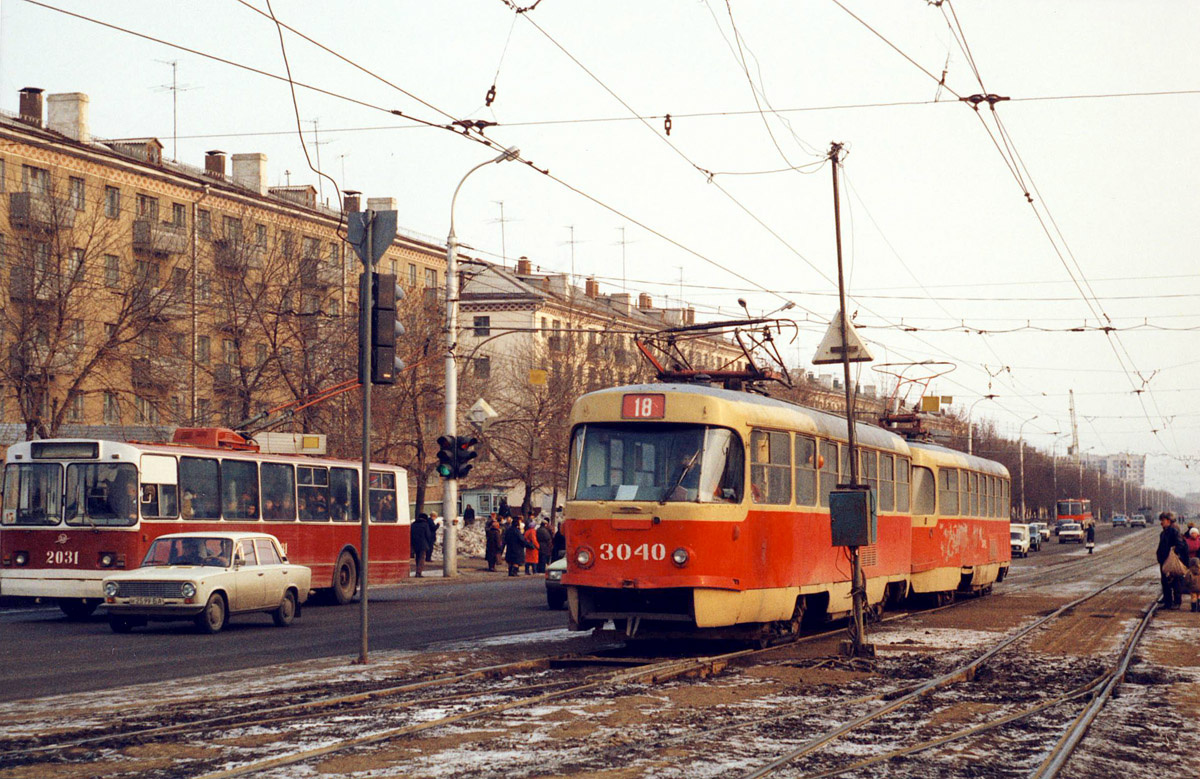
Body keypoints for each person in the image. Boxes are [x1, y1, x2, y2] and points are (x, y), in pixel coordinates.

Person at [1156, 511, 1189, 609]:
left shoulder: (1173, 531)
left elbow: (1180, 545)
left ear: (1168, 521)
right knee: (1165, 582)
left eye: (1163, 520)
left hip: (1171, 560)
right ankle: (1168, 602)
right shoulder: (1164, 532)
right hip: (1164, 560)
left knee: (1175, 581)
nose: (1161, 522)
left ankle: (1177, 602)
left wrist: (1175, 554)